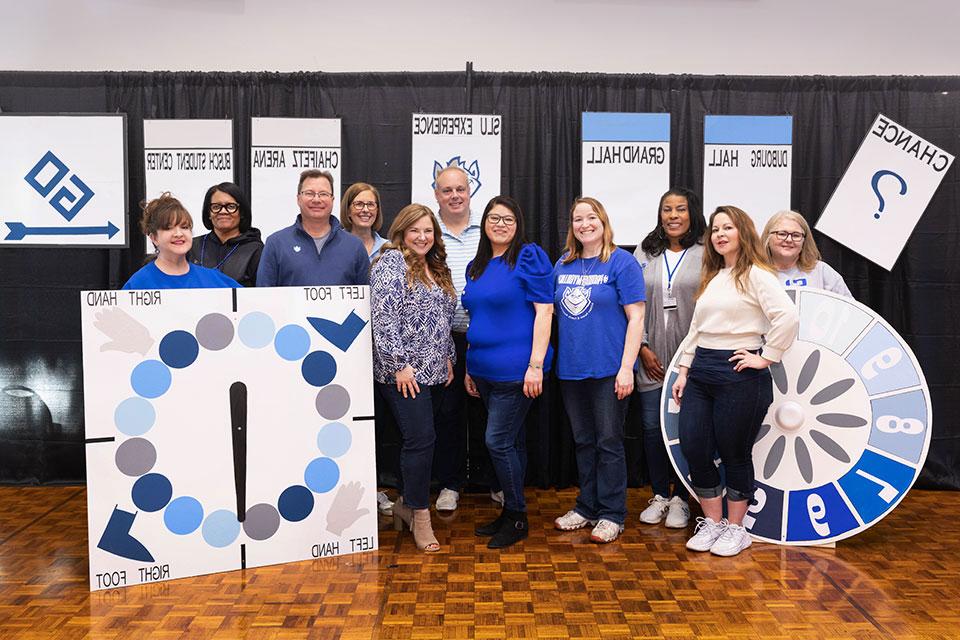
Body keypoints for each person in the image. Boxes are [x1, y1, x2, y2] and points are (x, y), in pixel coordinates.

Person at [672, 206, 799, 557]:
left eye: (727, 227)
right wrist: (684, 371)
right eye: (715, 229)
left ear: (743, 232)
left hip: (740, 374)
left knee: (734, 453)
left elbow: (786, 316)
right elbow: (696, 331)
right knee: (695, 446)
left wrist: (767, 356)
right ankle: (713, 524)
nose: (720, 234)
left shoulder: (757, 274)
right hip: (702, 372)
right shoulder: (714, 276)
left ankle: (736, 529)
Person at [461, 196, 553, 549]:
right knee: (510, 442)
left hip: (517, 371)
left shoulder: (528, 257)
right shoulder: (478, 265)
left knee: (496, 441)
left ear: (518, 225)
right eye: (494, 218)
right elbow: (476, 318)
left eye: (508, 219)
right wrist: (470, 365)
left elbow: (545, 313)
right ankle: (509, 512)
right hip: (483, 370)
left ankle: (517, 516)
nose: (500, 224)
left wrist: (535, 365)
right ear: (484, 223)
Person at [553, 197, 645, 544]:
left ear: (603, 222)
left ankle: (612, 514)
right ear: (571, 226)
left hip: (610, 368)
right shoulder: (563, 263)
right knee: (583, 441)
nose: (585, 224)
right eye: (578, 219)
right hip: (572, 369)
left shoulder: (622, 262)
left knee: (609, 442)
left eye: (591, 217)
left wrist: (626, 368)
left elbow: (636, 318)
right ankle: (586, 506)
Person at [370, 203, 456, 552]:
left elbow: (444, 317)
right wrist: (398, 364)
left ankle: (405, 503)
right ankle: (421, 514)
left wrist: (449, 357)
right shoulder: (390, 263)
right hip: (403, 373)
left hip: (436, 372)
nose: (422, 237)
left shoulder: (435, 265)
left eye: (428, 231)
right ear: (401, 232)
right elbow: (382, 319)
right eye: (415, 230)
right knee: (421, 441)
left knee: (420, 441)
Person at [633, 187, 705, 530]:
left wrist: (691, 358)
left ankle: (683, 498)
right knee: (651, 430)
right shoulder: (645, 252)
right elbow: (631, 304)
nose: (673, 216)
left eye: (680, 209)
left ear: (691, 213)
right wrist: (642, 348)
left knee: (689, 431)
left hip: (693, 360)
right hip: (651, 359)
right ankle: (660, 494)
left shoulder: (708, 253)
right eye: (667, 209)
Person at [431, 166, 484, 512]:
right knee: (447, 414)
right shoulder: (427, 231)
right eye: (446, 190)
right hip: (442, 338)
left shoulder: (488, 228)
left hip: (483, 336)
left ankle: (487, 480)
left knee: (485, 410)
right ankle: (449, 483)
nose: (454, 195)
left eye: (460, 189)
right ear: (436, 194)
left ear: (469, 191)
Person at [256, 170, 369, 287]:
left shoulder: (355, 246)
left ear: (332, 200)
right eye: (309, 193)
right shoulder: (276, 244)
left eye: (323, 194)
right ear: (298, 198)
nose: (316, 200)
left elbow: (366, 299)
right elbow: (263, 297)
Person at [124, 193, 239, 290]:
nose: (179, 234)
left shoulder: (214, 279)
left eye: (184, 227)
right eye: (168, 228)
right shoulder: (138, 284)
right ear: (154, 238)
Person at [761, 210, 852, 297]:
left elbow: (849, 309)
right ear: (767, 238)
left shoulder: (822, 271)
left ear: (804, 241)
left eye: (796, 235)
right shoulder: (755, 273)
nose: (789, 240)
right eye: (782, 234)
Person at [190, 182, 263, 287]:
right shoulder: (192, 246)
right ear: (208, 213)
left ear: (241, 212)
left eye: (231, 206)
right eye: (216, 207)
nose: (223, 211)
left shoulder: (256, 250)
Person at [341, 182, 388, 261]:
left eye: (370, 204)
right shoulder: (333, 246)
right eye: (359, 204)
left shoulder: (388, 249)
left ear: (377, 210)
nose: (366, 210)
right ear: (348, 210)